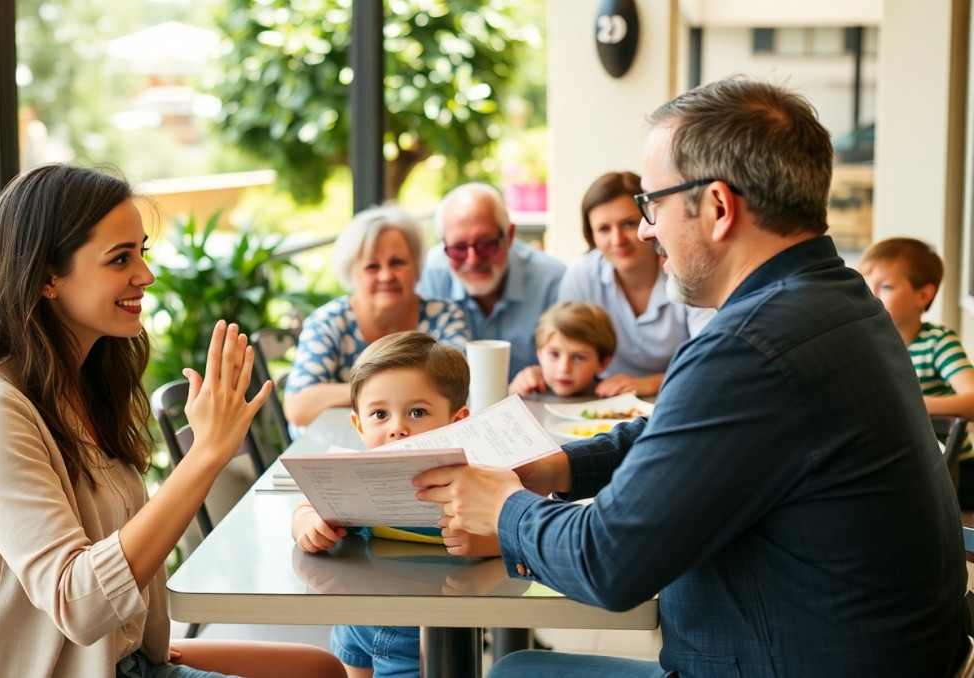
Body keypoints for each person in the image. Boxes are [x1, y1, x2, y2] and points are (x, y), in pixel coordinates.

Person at [415, 78, 969, 677]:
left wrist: (504, 507)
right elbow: (696, 438)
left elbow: (608, 563)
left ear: (719, 208)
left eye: (652, 204)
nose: (645, 231)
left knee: (514, 672)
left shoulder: (750, 347)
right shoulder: (840, 300)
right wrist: (562, 466)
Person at [0, 164, 345, 678]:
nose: (145, 274)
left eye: (142, 252)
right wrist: (205, 455)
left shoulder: (84, 385)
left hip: (115, 659)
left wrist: (142, 646)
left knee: (320, 668)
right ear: (47, 277)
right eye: (120, 258)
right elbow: (78, 603)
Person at [291, 331, 499, 678]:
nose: (397, 428)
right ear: (358, 425)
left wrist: (487, 542)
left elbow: (513, 530)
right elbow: (306, 507)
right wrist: (308, 525)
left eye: (417, 412)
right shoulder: (355, 475)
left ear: (457, 422)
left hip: (424, 634)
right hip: (356, 617)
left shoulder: (468, 486)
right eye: (379, 414)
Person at [283, 205, 469, 428]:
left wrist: (374, 398)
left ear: (416, 266)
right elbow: (298, 408)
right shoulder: (328, 322)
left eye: (397, 262)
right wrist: (381, 391)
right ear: (352, 273)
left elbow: (460, 389)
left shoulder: (444, 316)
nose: (386, 276)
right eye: (372, 266)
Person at [556, 171, 712, 397]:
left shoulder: (687, 269)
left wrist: (652, 383)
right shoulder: (582, 274)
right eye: (604, 229)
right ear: (591, 236)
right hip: (605, 398)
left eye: (628, 224)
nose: (617, 240)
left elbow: (709, 357)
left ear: (650, 220)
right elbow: (563, 350)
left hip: (682, 392)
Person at [859, 237, 974, 502]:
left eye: (885, 286)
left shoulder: (938, 342)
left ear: (923, 295)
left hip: (953, 471)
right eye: (864, 285)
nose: (870, 295)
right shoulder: (865, 344)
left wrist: (913, 403)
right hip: (898, 464)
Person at [416, 183, 566, 380]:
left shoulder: (553, 282)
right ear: (444, 245)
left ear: (510, 236)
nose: (473, 261)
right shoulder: (426, 278)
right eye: (458, 248)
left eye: (486, 244)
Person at [507, 301, 616, 398]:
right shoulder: (528, 388)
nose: (564, 368)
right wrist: (513, 392)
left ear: (603, 364)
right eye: (554, 354)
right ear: (539, 353)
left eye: (578, 357)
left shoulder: (612, 396)